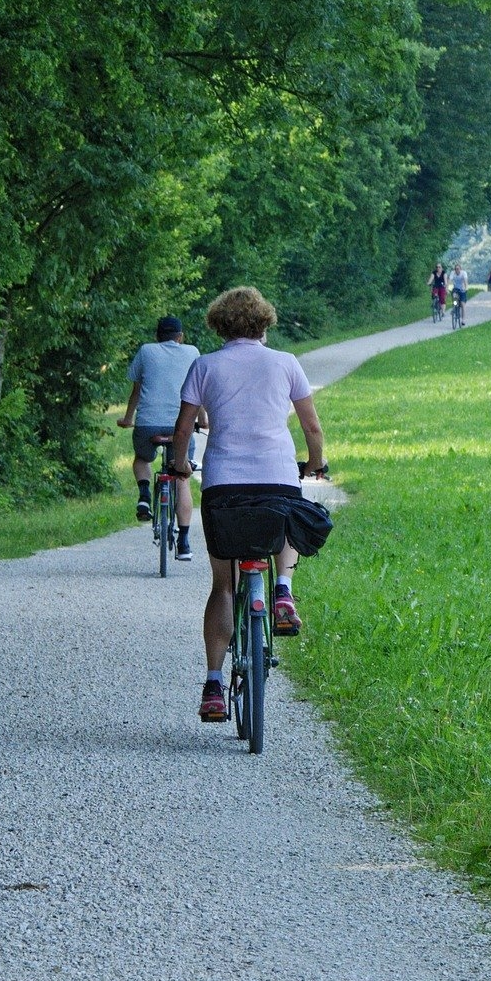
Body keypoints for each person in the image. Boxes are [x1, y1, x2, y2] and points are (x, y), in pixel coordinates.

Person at [168, 287, 330, 723]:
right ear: (264, 323)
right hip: (276, 476)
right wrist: (315, 463)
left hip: (224, 486)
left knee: (223, 586)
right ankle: (283, 592)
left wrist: (181, 465)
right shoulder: (286, 363)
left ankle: (213, 685)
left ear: (219, 325)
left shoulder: (204, 366)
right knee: (288, 515)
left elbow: (183, 430)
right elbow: (312, 428)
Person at [117, 315, 201, 560]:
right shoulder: (193, 352)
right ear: (180, 337)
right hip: (180, 425)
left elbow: (136, 390)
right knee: (181, 476)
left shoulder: (146, 351)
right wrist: (204, 420)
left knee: (142, 459)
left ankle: (144, 496)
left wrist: (128, 418)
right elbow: (197, 393)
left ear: (157, 336)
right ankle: (184, 543)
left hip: (148, 424)